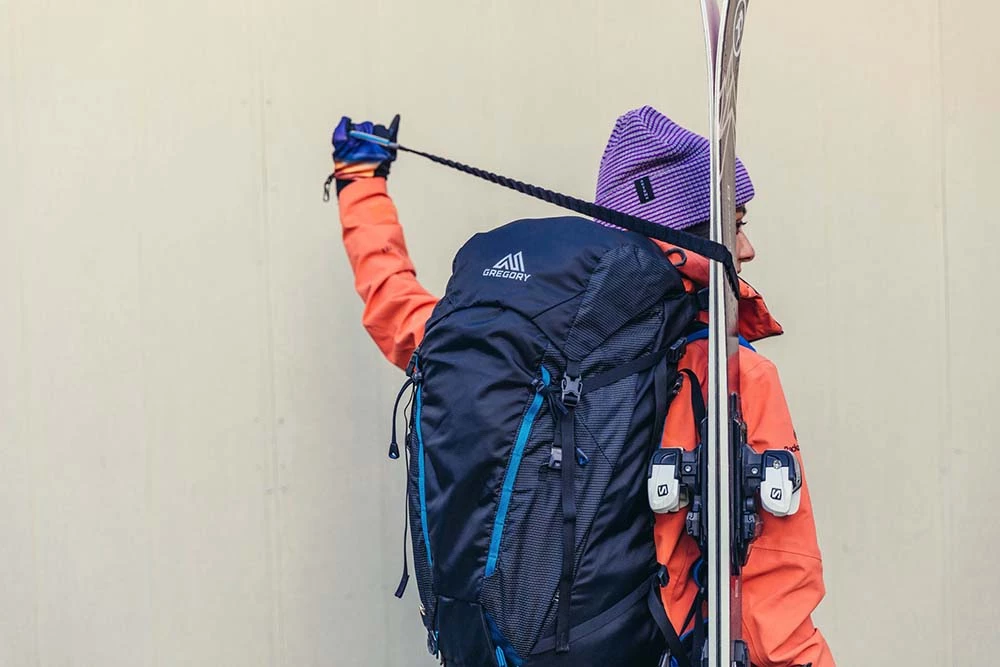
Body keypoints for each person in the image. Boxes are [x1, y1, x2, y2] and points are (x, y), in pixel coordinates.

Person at [330, 105, 835, 667]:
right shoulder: (722, 371)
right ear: (692, 235)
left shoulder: (505, 344)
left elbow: (392, 300)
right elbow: (775, 602)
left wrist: (359, 182)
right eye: (735, 225)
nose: (747, 249)